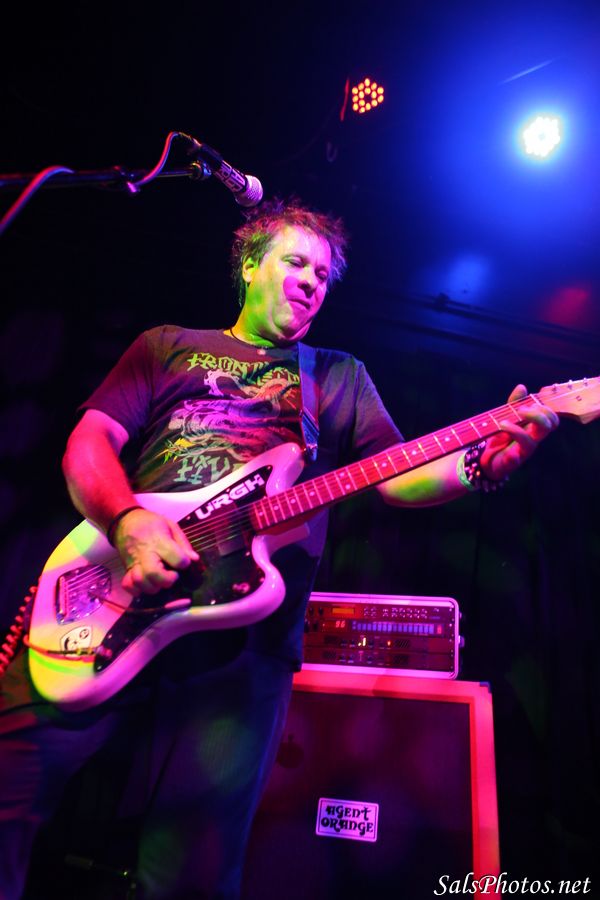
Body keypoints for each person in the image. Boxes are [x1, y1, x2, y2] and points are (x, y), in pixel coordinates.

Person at [0, 198, 559, 899]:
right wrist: (127, 522)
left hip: (243, 646)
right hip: (115, 591)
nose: (311, 282)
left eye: (323, 276)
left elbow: (397, 478)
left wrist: (480, 465)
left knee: (191, 874)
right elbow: (89, 444)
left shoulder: (337, 376)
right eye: (297, 262)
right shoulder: (166, 345)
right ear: (248, 265)